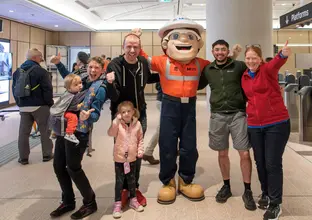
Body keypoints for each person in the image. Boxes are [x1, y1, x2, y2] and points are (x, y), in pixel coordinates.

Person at [198, 40, 256, 211]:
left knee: (244, 153)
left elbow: (255, 74)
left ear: (228, 51)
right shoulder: (208, 69)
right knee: (222, 153)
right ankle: (226, 186)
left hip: (238, 114)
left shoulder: (239, 66)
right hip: (217, 115)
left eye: (223, 50)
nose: (220, 52)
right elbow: (196, 84)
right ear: (212, 51)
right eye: (217, 50)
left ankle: (247, 190)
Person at [50, 57, 108, 219]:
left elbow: (96, 112)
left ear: (102, 69)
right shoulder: (81, 79)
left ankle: (90, 202)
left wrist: (88, 115)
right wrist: (58, 64)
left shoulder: (101, 87)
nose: (93, 70)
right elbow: (69, 77)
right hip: (63, 130)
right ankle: (68, 200)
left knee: (73, 168)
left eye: (97, 67)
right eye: (91, 67)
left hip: (79, 132)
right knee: (59, 166)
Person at [105, 32, 159, 208]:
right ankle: (122, 189)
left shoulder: (142, 63)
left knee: (136, 153)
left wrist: (167, 74)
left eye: (136, 46)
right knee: (122, 154)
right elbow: (113, 96)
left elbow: (149, 78)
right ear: (123, 47)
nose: (132, 50)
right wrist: (110, 83)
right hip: (121, 117)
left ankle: (133, 188)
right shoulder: (114, 65)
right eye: (129, 46)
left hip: (139, 114)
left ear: (140, 48)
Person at [241, 42, 291, 220]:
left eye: (254, 57)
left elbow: (276, 63)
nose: (251, 61)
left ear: (260, 59)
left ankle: (276, 203)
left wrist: (282, 55)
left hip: (276, 123)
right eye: (248, 58)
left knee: (272, 163)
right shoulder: (245, 76)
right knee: (260, 163)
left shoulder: (267, 70)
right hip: (254, 125)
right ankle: (266, 193)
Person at [50, 51, 97, 157]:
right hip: (82, 109)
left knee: (72, 150)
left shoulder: (82, 73)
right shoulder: (87, 73)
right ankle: (86, 147)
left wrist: (58, 64)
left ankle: (81, 148)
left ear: (79, 60)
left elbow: (68, 78)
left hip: (76, 110)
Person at [12, 48, 54, 165]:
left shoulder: (17, 72)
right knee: (45, 131)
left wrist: (20, 103)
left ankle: (23, 158)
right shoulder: (41, 72)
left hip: (23, 106)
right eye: (40, 57)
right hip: (40, 106)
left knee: (23, 133)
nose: (41, 59)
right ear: (35, 58)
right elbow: (47, 89)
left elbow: (14, 89)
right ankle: (47, 154)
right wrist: (49, 103)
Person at [107, 101, 144, 218]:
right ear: (119, 114)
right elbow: (111, 133)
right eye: (123, 112)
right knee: (119, 182)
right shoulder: (118, 124)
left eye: (129, 111)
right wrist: (115, 121)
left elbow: (140, 139)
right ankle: (117, 204)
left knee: (132, 181)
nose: (126, 114)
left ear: (133, 111)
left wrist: (140, 150)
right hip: (119, 159)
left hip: (132, 158)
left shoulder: (137, 124)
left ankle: (133, 200)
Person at [50, 74, 85, 144]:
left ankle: (54, 132)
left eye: (80, 83)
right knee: (73, 117)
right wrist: (81, 105)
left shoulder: (69, 93)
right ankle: (69, 133)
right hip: (63, 112)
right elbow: (75, 108)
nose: (80, 85)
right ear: (69, 88)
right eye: (76, 85)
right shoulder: (72, 96)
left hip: (59, 111)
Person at [143, 82, 162, 165]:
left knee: (164, 127)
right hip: (165, 101)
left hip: (163, 100)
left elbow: (157, 86)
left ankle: (148, 152)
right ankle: (148, 152)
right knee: (162, 128)